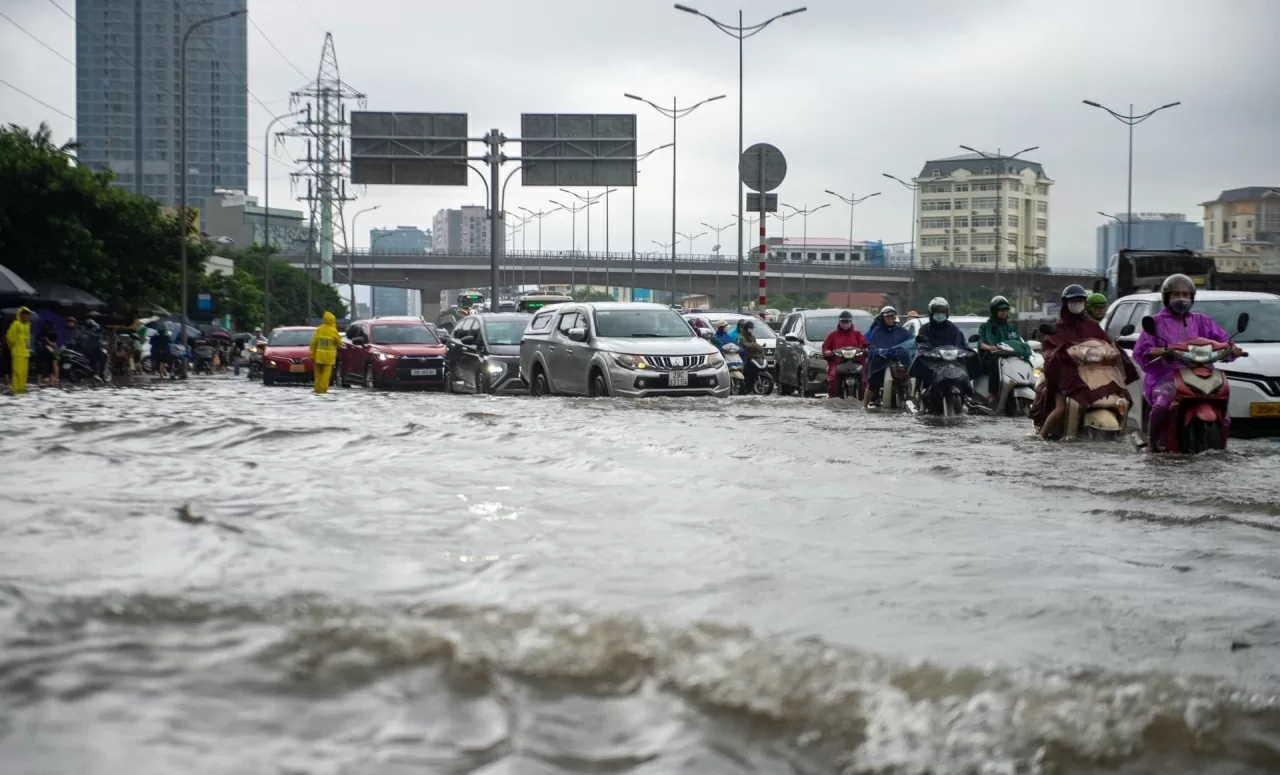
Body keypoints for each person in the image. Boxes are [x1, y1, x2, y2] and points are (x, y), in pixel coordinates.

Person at [1132, 273, 1237, 451]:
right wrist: (1156, 351)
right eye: (1175, 295)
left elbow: (1223, 341)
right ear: (1166, 297)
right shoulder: (1156, 322)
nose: (1181, 299)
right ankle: (1152, 445)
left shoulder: (1202, 321)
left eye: (1185, 295)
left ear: (1192, 298)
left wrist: (1232, 349)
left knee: (1222, 403)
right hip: (1165, 378)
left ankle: (1222, 446)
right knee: (1162, 406)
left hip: (1201, 375)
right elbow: (1141, 351)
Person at [1032, 284, 1138, 438]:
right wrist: (1062, 354)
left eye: (1080, 301)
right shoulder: (1059, 328)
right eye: (1073, 301)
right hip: (1067, 378)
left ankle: (1122, 435)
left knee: (1121, 399)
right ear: (1066, 303)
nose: (1077, 304)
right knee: (1060, 408)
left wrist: (1114, 349)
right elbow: (1049, 351)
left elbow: (1105, 342)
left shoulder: (1091, 325)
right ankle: (1041, 437)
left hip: (1093, 375)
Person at [910, 297, 971, 397]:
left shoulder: (953, 329)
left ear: (947, 313)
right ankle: (921, 391)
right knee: (921, 362)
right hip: (933, 362)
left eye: (942, 312)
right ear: (931, 312)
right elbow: (921, 344)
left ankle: (966, 394)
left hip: (951, 362)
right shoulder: (925, 329)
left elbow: (961, 343)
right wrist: (928, 351)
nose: (940, 314)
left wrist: (964, 351)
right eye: (937, 312)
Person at [977, 296, 1031, 403]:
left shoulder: (1011, 327)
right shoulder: (985, 326)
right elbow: (980, 342)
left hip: (1011, 357)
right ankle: (993, 393)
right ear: (994, 311)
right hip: (993, 357)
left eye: (1006, 310)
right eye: (1001, 310)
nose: (1004, 313)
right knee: (994, 363)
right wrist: (989, 347)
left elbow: (1017, 341)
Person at [863, 306, 914, 408]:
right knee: (873, 383)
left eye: (892, 316)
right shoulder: (877, 331)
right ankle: (865, 406)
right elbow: (872, 346)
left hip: (898, 361)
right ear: (883, 318)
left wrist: (905, 348)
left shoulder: (901, 330)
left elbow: (911, 341)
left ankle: (914, 400)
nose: (890, 319)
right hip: (882, 362)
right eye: (888, 317)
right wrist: (880, 351)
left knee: (911, 378)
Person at [821, 310, 869, 398]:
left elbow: (865, 344)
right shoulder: (833, 335)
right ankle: (834, 399)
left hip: (857, 362)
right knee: (833, 379)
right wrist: (827, 352)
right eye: (843, 322)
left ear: (851, 322)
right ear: (839, 322)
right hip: (838, 362)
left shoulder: (857, 334)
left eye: (847, 322)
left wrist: (865, 349)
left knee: (864, 380)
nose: (845, 324)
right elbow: (825, 346)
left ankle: (863, 399)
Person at [309, 311, 341, 394]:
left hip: (318, 357)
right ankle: (323, 391)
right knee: (325, 376)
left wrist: (311, 355)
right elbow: (339, 343)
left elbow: (313, 343)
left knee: (318, 376)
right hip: (328, 358)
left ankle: (317, 390)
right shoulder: (334, 330)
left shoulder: (319, 329)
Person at [5, 306, 33, 394]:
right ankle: (15, 389)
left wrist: (28, 343)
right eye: (24, 314)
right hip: (17, 352)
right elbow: (9, 336)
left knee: (24, 372)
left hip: (25, 352)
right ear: (20, 315)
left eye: (27, 315)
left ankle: (21, 388)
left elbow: (27, 337)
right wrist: (15, 345)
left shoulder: (28, 325)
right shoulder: (16, 324)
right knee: (17, 371)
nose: (26, 316)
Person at [735, 319, 766, 394]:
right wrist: (754, 345)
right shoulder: (741, 337)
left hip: (752, 358)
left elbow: (756, 347)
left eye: (752, 328)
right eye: (750, 328)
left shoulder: (753, 337)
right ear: (746, 328)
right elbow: (741, 346)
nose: (751, 330)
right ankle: (745, 388)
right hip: (743, 359)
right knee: (747, 374)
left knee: (754, 373)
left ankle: (751, 388)